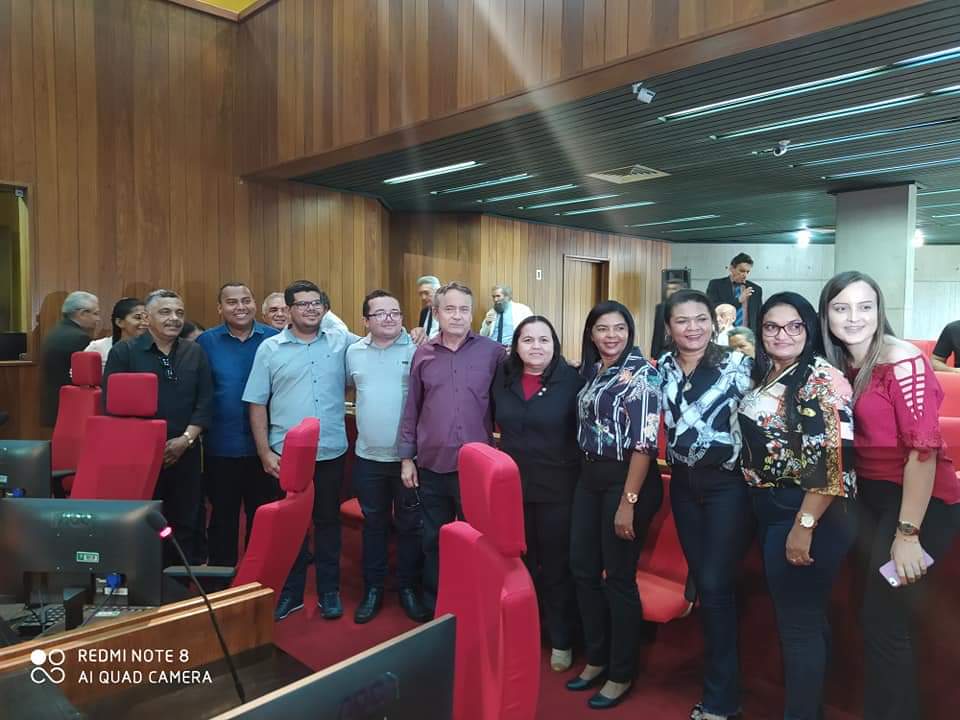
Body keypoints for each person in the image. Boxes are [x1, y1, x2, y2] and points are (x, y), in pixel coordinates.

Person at [819, 271, 960, 720]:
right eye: (841, 308)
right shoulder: (838, 364)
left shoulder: (903, 361)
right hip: (872, 501)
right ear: (826, 314)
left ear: (880, 311)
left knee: (883, 619)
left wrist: (908, 533)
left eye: (865, 306)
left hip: (922, 507)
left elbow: (923, 453)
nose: (853, 317)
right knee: (875, 618)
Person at [739, 292, 856, 720]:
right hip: (775, 507)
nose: (782, 334)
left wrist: (804, 525)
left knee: (799, 628)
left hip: (808, 511)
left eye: (794, 326)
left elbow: (833, 462)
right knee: (804, 620)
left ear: (809, 329)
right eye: (771, 326)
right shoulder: (773, 372)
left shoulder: (820, 378)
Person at [657, 289, 753, 720]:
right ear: (669, 327)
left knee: (714, 586)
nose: (692, 328)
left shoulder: (738, 365)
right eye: (682, 320)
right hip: (683, 486)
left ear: (713, 323)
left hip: (726, 487)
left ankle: (721, 700)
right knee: (708, 586)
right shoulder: (662, 367)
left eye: (700, 319)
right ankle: (720, 685)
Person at [244, 280, 359, 621]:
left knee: (328, 524)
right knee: (290, 526)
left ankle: (329, 592)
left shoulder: (341, 342)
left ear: (324, 307)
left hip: (330, 450)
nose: (310, 309)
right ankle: (291, 592)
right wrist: (264, 453)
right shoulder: (269, 349)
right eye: (302, 304)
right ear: (289, 310)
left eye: (316, 303)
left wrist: (414, 335)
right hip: (286, 456)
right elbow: (256, 403)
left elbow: (379, 346)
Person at [567, 301, 663, 710]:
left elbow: (644, 443)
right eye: (602, 328)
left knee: (618, 577)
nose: (611, 336)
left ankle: (621, 673)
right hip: (590, 478)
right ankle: (597, 658)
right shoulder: (593, 371)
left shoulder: (643, 374)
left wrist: (628, 502)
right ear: (591, 333)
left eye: (619, 328)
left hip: (628, 480)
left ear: (630, 331)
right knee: (583, 569)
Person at [398, 281, 504, 612]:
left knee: (479, 540)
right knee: (435, 539)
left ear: (472, 313)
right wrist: (406, 458)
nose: (457, 316)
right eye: (450, 309)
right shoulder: (423, 353)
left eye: (464, 309)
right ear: (436, 313)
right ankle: (438, 607)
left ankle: (475, 607)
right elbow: (412, 407)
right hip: (433, 464)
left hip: (477, 468)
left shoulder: (493, 353)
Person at [490, 315, 584, 673]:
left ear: (555, 345)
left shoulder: (572, 380)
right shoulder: (502, 378)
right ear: (516, 346)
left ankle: (561, 638)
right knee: (518, 565)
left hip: (558, 489)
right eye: (527, 340)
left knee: (556, 567)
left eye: (544, 340)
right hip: (512, 489)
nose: (536, 347)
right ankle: (522, 632)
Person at [103, 289, 213, 565]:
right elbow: (111, 405)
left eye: (179, 313)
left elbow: (205, 401)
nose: (174, 318)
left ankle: (178, 585)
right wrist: (150, 447)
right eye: (165, 312)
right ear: (147, 317)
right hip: (139, 456)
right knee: (143, 523)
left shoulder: (194, 352)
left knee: (184, 521)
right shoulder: (125, 352)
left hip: (185, 450)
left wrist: (186, 439)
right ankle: (145, 583)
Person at [346, 289, 430, 624]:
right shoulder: (353, 352)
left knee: (411, 526)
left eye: (395, 312)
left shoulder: (418, 349)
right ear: (365, 320)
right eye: (380, 313)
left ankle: (408, 587)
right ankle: (373, 588)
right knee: (374, 525)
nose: (389, 318)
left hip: (409, 459)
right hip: (368, 458)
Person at [195, 283, 279, 567]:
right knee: (223, 516)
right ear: (220, 308)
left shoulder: (274, 338)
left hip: (266, 447)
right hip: (221, 445)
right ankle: (221, 578)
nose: (240, 307)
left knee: (263, 515)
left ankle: (257, 575)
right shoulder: (206, 342)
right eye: (232, 302)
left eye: (246, 300)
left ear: (255, 303)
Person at [40, 291, 100, 426]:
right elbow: (87, 377)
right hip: (72, 406)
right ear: (82, 313)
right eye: (96, 313)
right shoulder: (79, 338)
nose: (98, 319)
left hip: (55, 403)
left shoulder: (56, 332)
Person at [84, 297, 148, 369]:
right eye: (138, 318)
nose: (145, 323)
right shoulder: (98, 347)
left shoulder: (152, 349)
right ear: (119, 322)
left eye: (147, 318)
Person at [706, 253, 762, 331]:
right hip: (724, 333)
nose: (745, 275)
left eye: (747, 272)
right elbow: (713, 308)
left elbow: (759, 316)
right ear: (731, 268)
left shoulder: (755, 289)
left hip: (748, 334)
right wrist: (738, 300)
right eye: (742, 271)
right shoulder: (716, 285)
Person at [650, 279, 684, 360]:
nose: (671, 291)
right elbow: (657, 331)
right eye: (669, 289)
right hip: (663, 350)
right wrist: (654, 353)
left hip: (682, 349)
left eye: (674, 289)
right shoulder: (661, 307)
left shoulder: (687, 307)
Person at [414, 275, 441, 339]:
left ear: (438, 292)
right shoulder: (424, 312)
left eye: (426, 293)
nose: (423, 298)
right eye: (421, 294)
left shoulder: (448, 312)